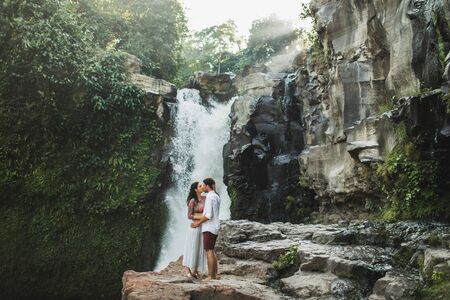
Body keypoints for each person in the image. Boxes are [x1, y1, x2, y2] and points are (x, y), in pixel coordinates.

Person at [191, 178, 221, 281]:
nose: (203, 187)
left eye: (204, 185)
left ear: (208, 186)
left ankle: (210, 276)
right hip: (216, 226)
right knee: (212, 251)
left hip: (209, 227)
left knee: (209, 251)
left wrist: (197, 223)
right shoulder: (216, 196)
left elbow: (208, 215)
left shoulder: (209, 197)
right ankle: (215, 274)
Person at [182, 182, 207, 279]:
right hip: (194, 227)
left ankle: (195, 270)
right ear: (196, 190)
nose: (202, 187)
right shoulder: (193, 201)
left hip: (203, 226)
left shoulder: (205, 199)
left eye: (202, 185)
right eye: (200, 186)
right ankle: (188, 270)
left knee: (200, 248)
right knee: (191, 247)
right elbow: (189, 216)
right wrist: (202, 217)